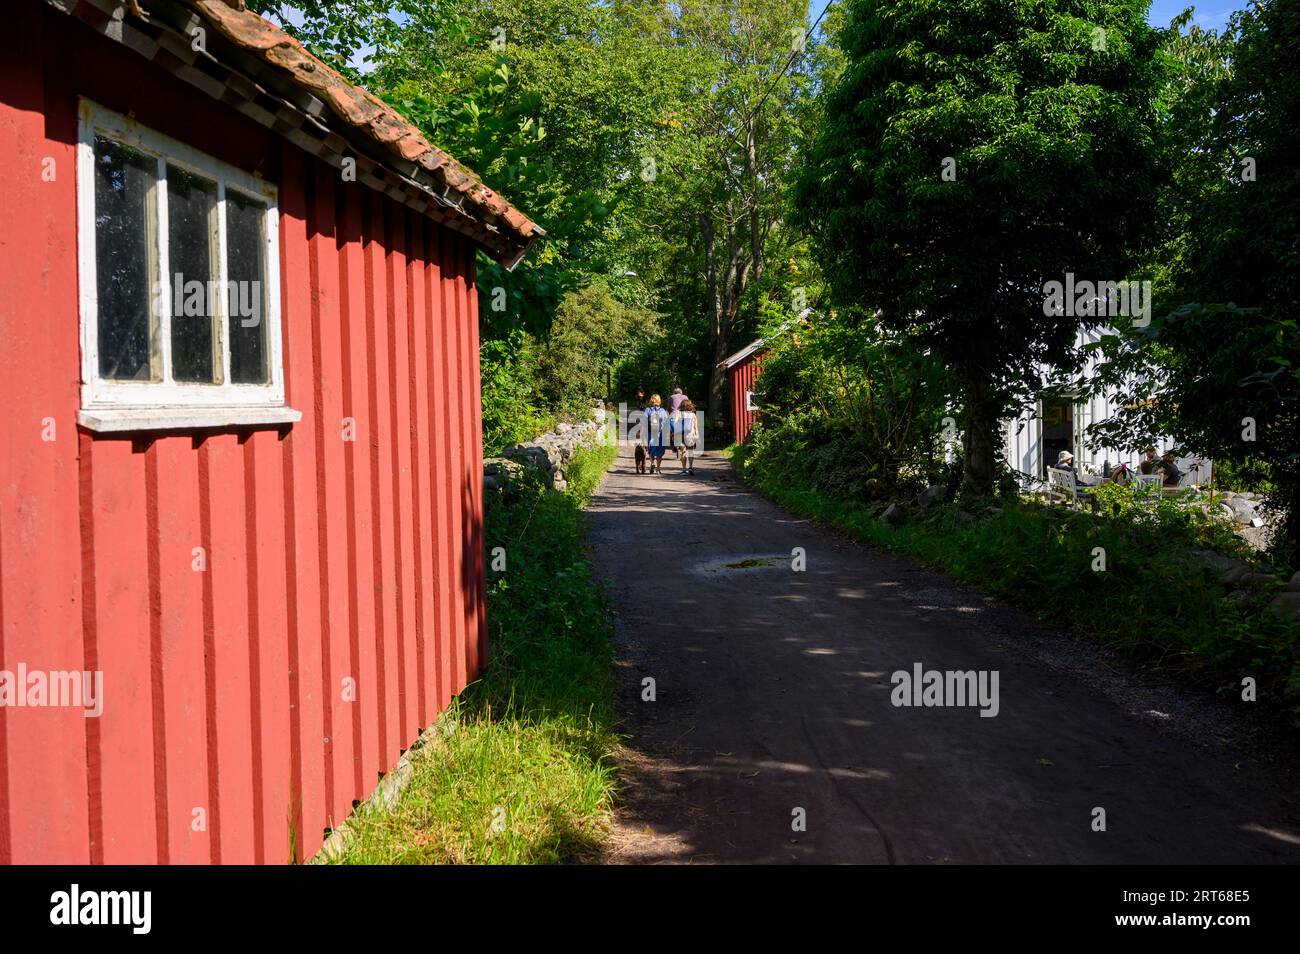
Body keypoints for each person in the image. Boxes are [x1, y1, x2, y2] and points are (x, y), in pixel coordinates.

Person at [643, 394, 669, 474]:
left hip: (650, 433)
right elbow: (666, 424)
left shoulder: (648, 410)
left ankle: (652, 463)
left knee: (651, 450)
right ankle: (658, 468)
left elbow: (644, 422)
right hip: (660, 434)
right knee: (660, 452)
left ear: (651, 401)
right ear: (659, 401)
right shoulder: (663, 411)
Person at [675, 399, 699, 474]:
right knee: (691, 452)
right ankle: (691, 468)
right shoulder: (693, 415)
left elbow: (675, 425)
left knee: (683, 452)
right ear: (690, 406)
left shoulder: (679, 414)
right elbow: (696, 427)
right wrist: (697, 435)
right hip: (690, 436)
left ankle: (684, 470)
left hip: (681, 435)